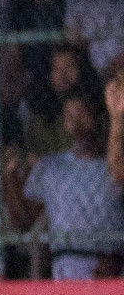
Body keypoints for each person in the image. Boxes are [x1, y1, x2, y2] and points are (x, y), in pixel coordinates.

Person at [11, 95, 123, 279]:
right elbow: (26, 219)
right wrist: (10, 178)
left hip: (110, 265)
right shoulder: (51, 166)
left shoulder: (115, 167)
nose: (77, 123)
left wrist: (116, 255)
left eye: (82, 115)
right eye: (70, 116)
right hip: (65, 267)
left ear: (100, 117)